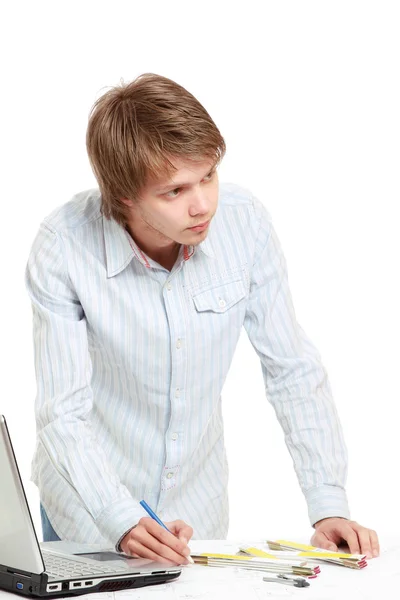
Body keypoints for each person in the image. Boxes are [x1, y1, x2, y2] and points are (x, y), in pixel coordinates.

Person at [25, 73, 379, 566]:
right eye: (174, 191)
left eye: (209, 176)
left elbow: (291, 368)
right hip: (88, 512)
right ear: (125, 196)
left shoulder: (245, 223)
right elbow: (61, 414)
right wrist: (119, 516)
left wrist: (327, 505)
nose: (203, 204)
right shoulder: (63, 246)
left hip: (199, 513)